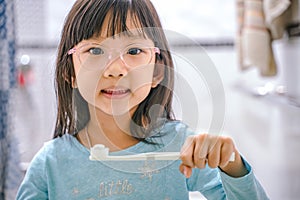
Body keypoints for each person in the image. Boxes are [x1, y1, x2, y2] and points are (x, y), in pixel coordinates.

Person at [17, 0, 269, 199]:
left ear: (157, 71)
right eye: (95, 50)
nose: (115, 69)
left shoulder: (180, 146)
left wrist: (231, 163)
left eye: (134, 51)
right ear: (69, 72)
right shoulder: (49, 165)